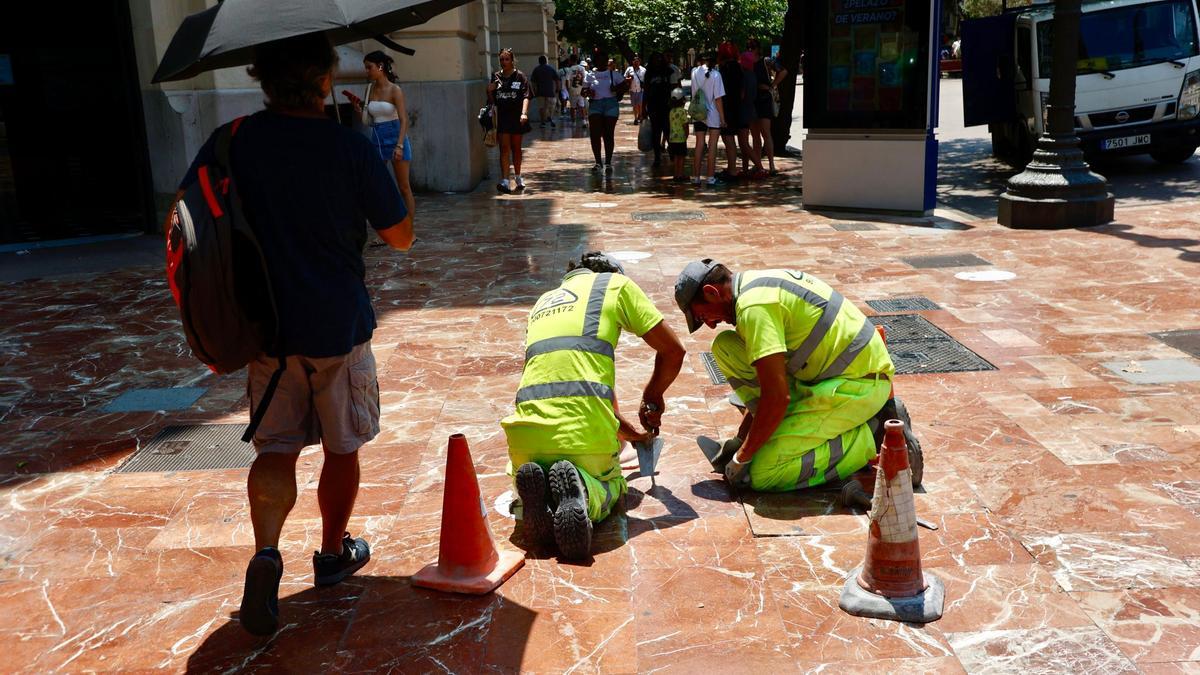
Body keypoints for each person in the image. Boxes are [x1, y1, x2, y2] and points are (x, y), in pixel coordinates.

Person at [174, 33, 413, 637]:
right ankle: (332, 553)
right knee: (342, 447)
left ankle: (266, 552)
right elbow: (401, 236)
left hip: (268, 331)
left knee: (275, 449)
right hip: (339, 325)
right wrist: (389, 164)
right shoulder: (348, 145)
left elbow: (188, 218)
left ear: (261, 78)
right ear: (325, 80)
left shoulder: (231, 141)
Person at [672, 260, 922, 494]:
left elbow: (776, 397)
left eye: (703, 317)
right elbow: (771, 380)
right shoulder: (752, 286)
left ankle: (874, 432)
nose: (711, 325)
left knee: (764, 472)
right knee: (725, 346)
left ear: (711, 293)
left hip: (858, 384)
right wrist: (742, 439)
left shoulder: (754, 309)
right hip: (834, 371)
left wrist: (742, 457)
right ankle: (783, 425)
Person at [503, 252, 686, 560]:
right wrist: (653, 396)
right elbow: (673, 351)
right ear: (612, 273)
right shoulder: (615, 285)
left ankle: (536, 502)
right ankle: (587, 495)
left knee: (543, 473)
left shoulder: (542, 303)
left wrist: (637, 437)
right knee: (615, 485)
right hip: (583, 439)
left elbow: (582, 396)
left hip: (525, 441)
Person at [348, 51, 415, 222]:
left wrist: (399, 145)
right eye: (365, 68)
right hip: (377, 138)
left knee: (404, 187)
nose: (366, 71)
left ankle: (409, 228)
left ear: (380, 67)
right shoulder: (369, 89)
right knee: (377, 184)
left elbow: (404, 120)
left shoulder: (395, 90)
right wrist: (359, 111)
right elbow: (369, 121)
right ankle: (387, 224)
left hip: (396, 136)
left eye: (369, 67)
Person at [487, 48, 532, 193]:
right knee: (504, 148)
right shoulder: (496, 77)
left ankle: (518, 176)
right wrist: (489, 91)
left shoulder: (520, 76)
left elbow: (526, 96)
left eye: (506, 59)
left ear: (512, 60)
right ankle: (505, 180)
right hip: (502, 117)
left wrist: (524, 113)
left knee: (516, 148)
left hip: (517, 117)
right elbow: (492, 102)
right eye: (501, 59)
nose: (504, 62)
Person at [583, 56, 630, 174]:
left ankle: (608, 162)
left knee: (608, 134)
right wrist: (588, 92)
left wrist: (616, 88)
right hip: (595, 105)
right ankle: (598, 162)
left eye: (603, 60)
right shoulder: (590, 75)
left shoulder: (614, 74)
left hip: (611, 104)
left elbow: (626, 86)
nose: (602, 62)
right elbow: (583, 92)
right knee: (595, 134)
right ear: (596, 62)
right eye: (599, 60)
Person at [690, 52, 726, 186]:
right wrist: (723, 119)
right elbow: (718, 99)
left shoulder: (694, 72)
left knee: (699, 144)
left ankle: (696, 177)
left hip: (698, 111)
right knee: (712, 145)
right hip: (713, 114)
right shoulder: (716, 75)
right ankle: (710, 177)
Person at [747, 39, 779, 175]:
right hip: (752, 101)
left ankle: (771, 165)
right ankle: (758, 164)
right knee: (755, 135)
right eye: (748, 47)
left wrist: (772, 85)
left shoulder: (766, 61)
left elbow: (783, 71)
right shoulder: (747, 63)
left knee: (766, 133)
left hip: (764, 100)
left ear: (758, 48)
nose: (751, 49)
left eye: (753, 47)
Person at [716, 42, 746, 182]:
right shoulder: (738, 67)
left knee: (728, 139)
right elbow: (742, 91)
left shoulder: (724, 69)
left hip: (726, 107)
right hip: (736, 107)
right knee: (731, 139)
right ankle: (731, 168)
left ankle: (732, 170)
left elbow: (720, 92)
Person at [738, 50, 767, 178]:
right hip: (751, 109)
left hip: (743, 110)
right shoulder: (753, 75)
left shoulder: (743, 76)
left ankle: (760, 168)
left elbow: (742, 95)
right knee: (744, 142)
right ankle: (745, 169)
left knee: (743, 143)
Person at [643, 52, 673, 166]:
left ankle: (672, 153)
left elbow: (674, 86)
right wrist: (643, 108)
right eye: (655, 59)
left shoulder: (668, 71)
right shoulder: (648, 73)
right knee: (656, 132)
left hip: (666, 105)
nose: (658, 61)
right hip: (653, 105)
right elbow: (645, 91)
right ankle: (657, 157)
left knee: (668, 130)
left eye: (660, 59)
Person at [530, 55, 561, 129]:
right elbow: (557, 79)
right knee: (551, 106)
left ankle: (542, 122)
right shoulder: (551, 69)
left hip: (540, 92)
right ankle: (550, 117)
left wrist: (534, 91)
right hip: (550, 92)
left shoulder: (536, 69)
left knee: (541, 107)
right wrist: (557, 88)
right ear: (546, 61)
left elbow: (533, 82)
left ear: (539, 61)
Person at [668, 87, 690, 182]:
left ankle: (676, 174)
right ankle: (680, 175)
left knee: (676, 157)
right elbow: (685, 125)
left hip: (672, 139)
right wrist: (687, 134)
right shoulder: (682, 111)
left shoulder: (671, 111)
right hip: (681, 139)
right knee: (681, 157)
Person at [624, 55, 646, 124]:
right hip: (632, 90)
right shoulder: (629, 69)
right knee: (635, 105)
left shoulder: (643, 70)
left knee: (640, 104)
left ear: (639, 62)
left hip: (641, 90)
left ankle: (641, 116)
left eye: (637, 61)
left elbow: (646, 79)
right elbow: (624, 77)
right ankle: (636, 118)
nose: (636, 62)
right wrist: (629, 78)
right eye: (635, 61)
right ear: (632, 62)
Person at [567, 56, 588, 128]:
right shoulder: (582, 68)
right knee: (582, 106)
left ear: (571, 60)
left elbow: (567, 80)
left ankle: (573, 122)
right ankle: (584, 121)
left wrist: (568, 89)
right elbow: (584, 79)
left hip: (572, 90)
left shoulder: (570, 69)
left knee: (573, 107)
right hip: (581, 90)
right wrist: (584, 88)